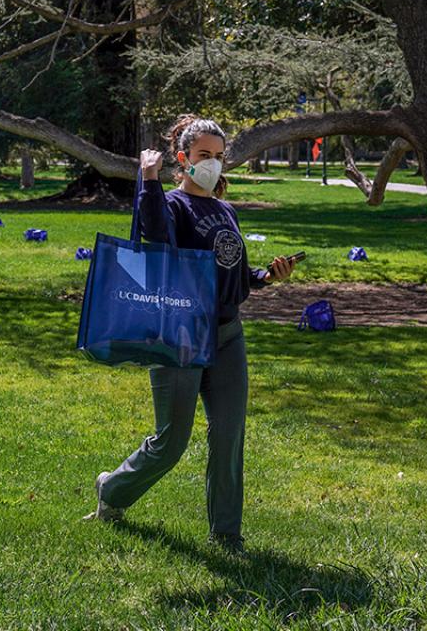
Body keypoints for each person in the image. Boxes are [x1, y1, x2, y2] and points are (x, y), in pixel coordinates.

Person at [82, 114, 296, 554]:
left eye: (219, 157)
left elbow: (233, 273)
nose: (213, 164)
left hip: (228, 335)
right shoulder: (173, 206)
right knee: (171, 442)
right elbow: (156, 238)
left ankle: (226, 536)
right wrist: (148, 178)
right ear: (183, 159)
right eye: (204, 156)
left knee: (229, 436)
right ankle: (113, 491)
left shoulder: (226, 210)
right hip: (180, 336)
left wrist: (266, 276)